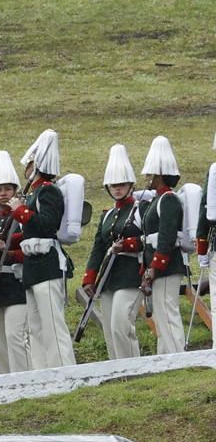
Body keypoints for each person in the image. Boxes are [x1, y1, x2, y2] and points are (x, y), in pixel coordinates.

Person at [4, 130, 76, 370]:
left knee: (52, 325)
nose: (26, 168)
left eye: (30, 164)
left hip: (47, 262)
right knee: (35, 327)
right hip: (33, 266)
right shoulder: (34, 192)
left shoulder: (48, 191)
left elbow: (46, 225)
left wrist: (20, 211)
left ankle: (63, 371)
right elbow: (30, 231)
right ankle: (42, 373)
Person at [83, 145, 146, 360]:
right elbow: (98, 247)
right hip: (109, 277)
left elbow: (152, 239)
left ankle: (132, 371)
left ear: (130, 185)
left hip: (131, 274)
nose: (117, 189)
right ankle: (117, 371)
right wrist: (89, 278)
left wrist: (129, 244)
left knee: (121, 325)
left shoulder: (141, 209)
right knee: (110, 329)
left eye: (121, 184)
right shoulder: (107, 214)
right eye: (113, 185)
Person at [0, 151, 33, 376]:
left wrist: (10, 254)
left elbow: (31, 249)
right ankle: (5, 383)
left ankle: (26, 380)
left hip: (16, 284)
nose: (3, 194)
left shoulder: (22, 216)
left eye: (8, 189)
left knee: (16, 337)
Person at [140, 136, 189, 356]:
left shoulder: (168, 199)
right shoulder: (157, 200)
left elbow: (167, 238)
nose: (147, 178)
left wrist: (155, 268)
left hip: (167, 266)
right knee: (161, 314)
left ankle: (177, 356)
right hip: (159, 266)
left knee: (168, 312)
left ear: (159, 175)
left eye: (150, 174)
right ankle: (166, 356)